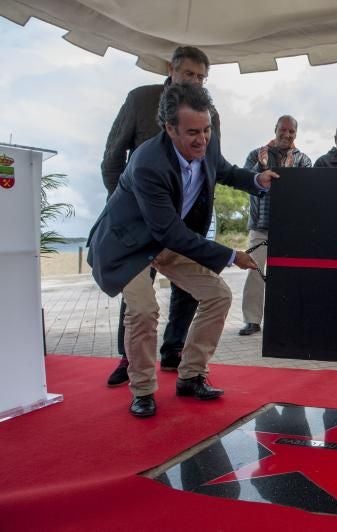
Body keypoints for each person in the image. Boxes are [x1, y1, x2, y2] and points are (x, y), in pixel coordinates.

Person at [86, 83, 277, 418]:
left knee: (218, 295)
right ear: (169, 128)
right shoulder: (148, 162)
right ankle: (143, 390)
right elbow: (169, 231)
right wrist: (231, 255)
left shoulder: (206, 142)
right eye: (192, 132)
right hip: (127, 244)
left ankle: (191, 375)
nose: (202, 139)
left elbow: (225, 170)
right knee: (144, 311)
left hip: (164, 240)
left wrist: (255, 182)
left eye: (206, 130)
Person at [100, 46, 220, 386]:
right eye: (189, 74)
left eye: (201, 77)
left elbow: (214, 165)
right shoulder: (140, 100)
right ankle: (129, 358)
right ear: (172, 70)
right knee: (139, 296)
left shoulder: (209, 112)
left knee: (189, 291)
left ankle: (174, 351)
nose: (195, 82)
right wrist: (123, 208)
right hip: (138, 224)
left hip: (186, 221)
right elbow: (112, 156)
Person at [238, 115, 313, 336]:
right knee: (255, 272)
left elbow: (305, 191)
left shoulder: (303, 160)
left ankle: (285, 318)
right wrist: (259, 167)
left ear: (296, 134)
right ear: (275, 129)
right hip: (261, 226)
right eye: (283, 130)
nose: (287, 135)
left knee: (288, 275)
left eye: (291, 132)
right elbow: (244, 180)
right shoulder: (256, 154)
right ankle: (252, 320)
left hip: (290, 228)